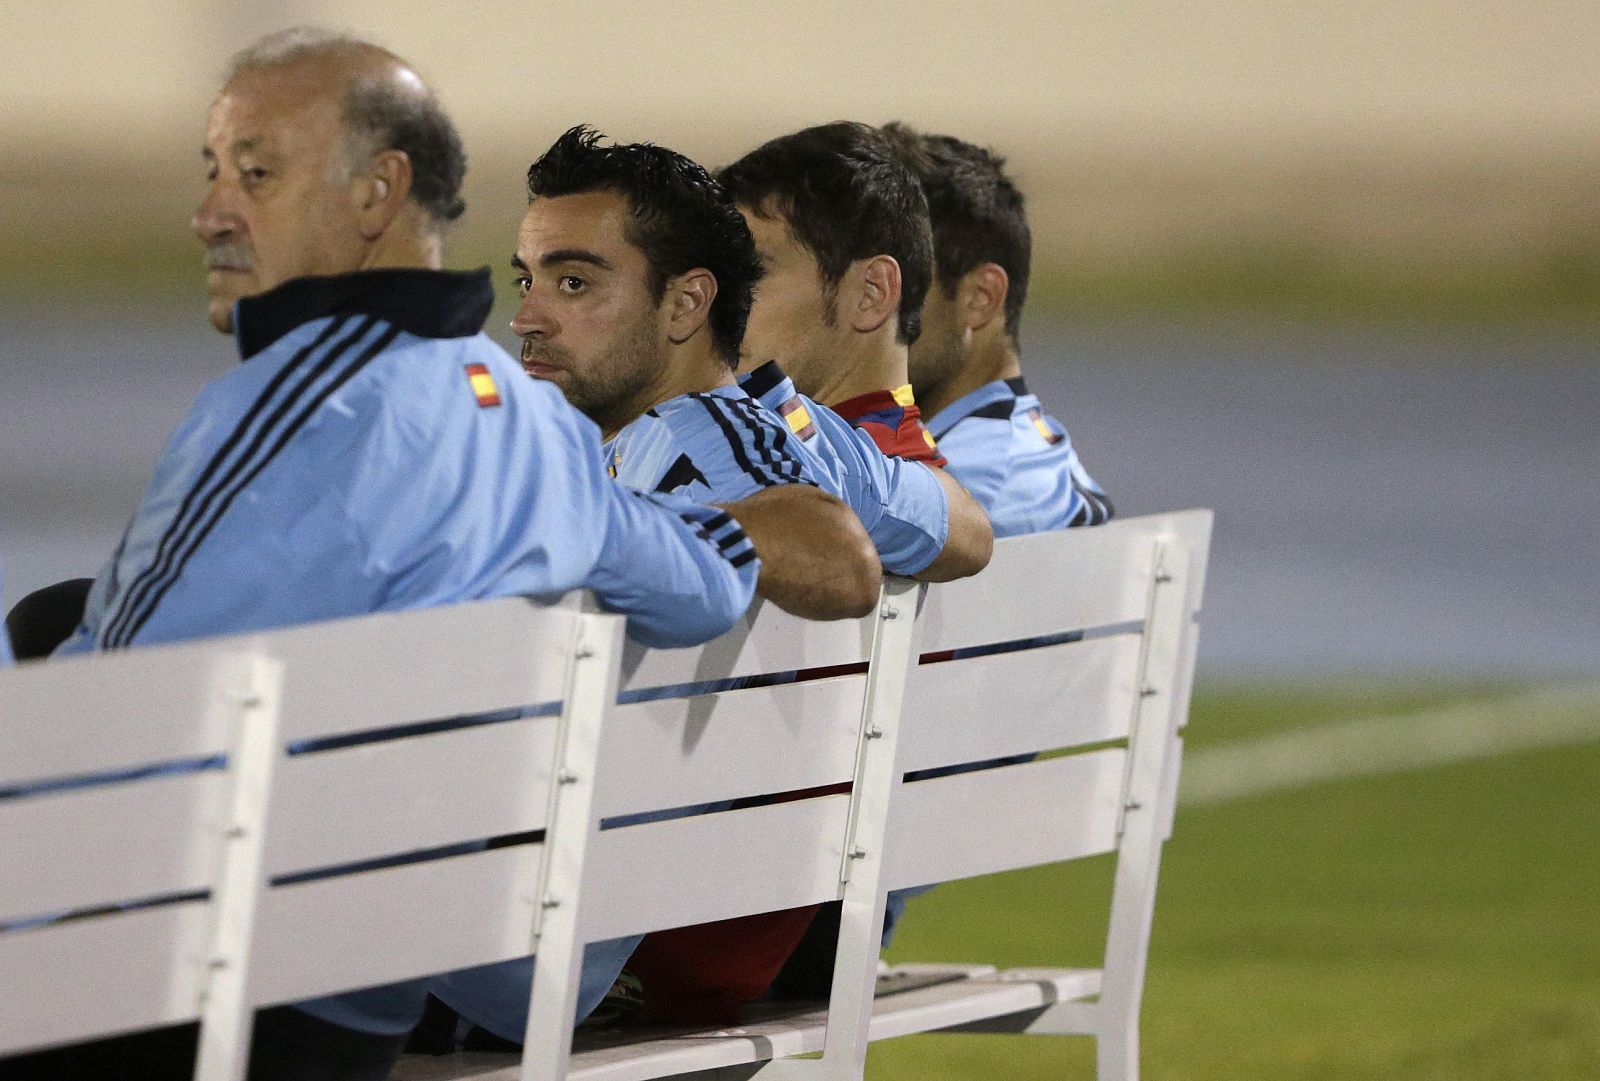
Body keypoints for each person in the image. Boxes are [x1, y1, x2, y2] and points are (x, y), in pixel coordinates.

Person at [3, 29, 759, 1081]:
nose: (211, 210)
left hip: (217, 997)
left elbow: (102, 743)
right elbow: (708, 587)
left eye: (257, 173)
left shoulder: (294, 411)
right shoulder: (521, 419)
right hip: (376, 980)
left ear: (377, 193)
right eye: (215, 171)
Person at [880, 122, 1111, 534]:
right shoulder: (1022, 445)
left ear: (980, 298)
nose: (868, 309)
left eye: (902, 284)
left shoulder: (972, 485)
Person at [718, 121, 947, 465]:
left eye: (754, 273)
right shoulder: (783, 454)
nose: (718, 304)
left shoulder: (875, 499)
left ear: (872, 293)